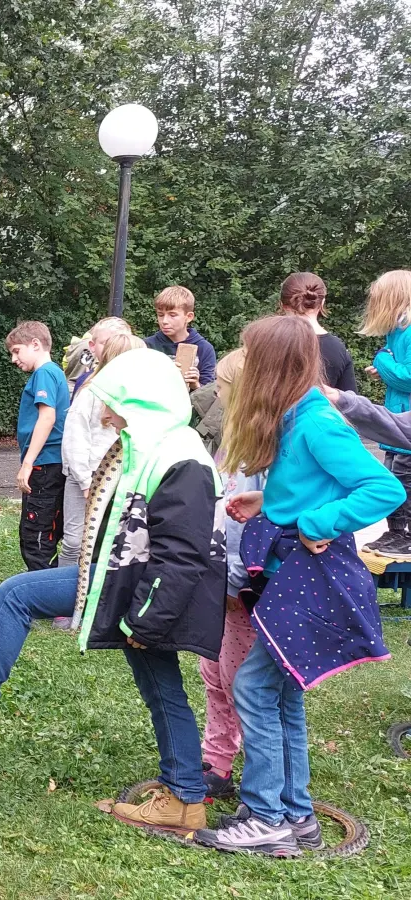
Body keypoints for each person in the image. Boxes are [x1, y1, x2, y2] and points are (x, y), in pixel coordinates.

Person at [0, 346, 226, 836]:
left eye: (112, 400)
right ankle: (184, 798)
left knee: (17, 594)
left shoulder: (180, 456)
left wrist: (147, 618)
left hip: (145, 592)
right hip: (131, 582)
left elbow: (182, 552)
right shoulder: (153, 443)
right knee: (161, 688)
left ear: (142, 399)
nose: (104, 411)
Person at [196, 315, 403, 857]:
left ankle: (267, 818)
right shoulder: (294, 418)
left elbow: (381, 488)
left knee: (254, 687)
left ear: (270, 366)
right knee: (281, 690)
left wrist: (316, 524)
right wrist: (271, 503)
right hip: (292, 570)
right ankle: (296, 813)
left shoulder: (316, 420)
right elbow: (313, 481)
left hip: (313, 575)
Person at [196, 349, 257, 802]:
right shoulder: (228, 445)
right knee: (212, 673)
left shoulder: (263, 454)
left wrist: (235, 582)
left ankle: (261, 773)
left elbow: (253, 528)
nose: (217, 392)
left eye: (225, 386)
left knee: (242, 683)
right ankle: (215, 762)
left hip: (244, 591)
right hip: (217, 581)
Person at [58, 318, 133, 570]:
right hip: (86, 478)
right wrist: (86, 481)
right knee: (74, 542)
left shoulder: (137, 392)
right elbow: (75, 438)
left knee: (109, 541)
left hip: (121, 479)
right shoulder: (90, 390)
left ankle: (97, 598)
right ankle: (62, 597)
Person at [7, 321, 71, 571]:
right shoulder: (55, 372)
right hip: (51, 463)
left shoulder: (44, 373)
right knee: (47, 528)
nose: (14, 359)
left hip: (44, 464)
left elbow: (47, 417)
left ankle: (44, 593)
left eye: (16, 351)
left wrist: (27, 463)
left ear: (35, 344)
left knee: (35, 534)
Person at [357, 270, 411, 555]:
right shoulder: (398, 331)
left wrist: (382, 360)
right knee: (392, 477)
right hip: (396, 421)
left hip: (406, 425)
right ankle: (396, 533)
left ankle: (406, 536)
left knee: (403, 479)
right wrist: (386, 369)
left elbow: (408, 376)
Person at [278, 272, 356, 391]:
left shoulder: (267, 342)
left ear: (282, 304)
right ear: (322, 302)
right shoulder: (337, 348)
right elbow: (349, 403)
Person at [144, 285, 217, 389]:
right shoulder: (147, 345)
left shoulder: (205, 348)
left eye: (172, 315)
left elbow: (210, 393)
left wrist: (196, 385)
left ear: (189, 317)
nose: (164, 321)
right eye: (160, 315)